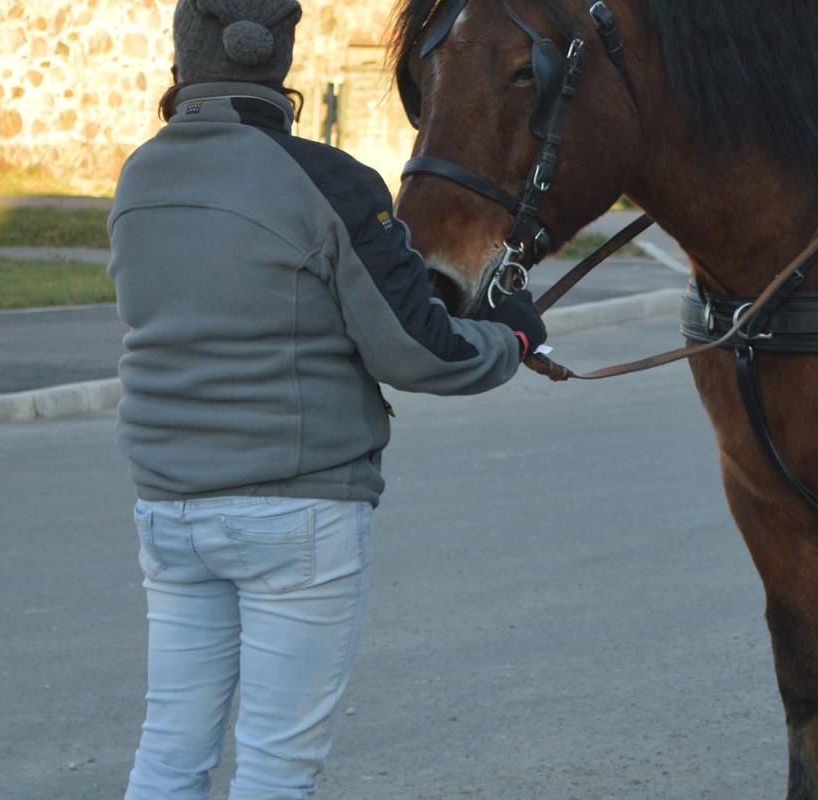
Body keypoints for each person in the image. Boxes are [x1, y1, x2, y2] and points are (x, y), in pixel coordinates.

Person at [106, 1, 547, 797]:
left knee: (170, 752)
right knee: (277, 767)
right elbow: (415, 347)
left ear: (185, 60)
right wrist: (510, 339)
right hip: (295, 512)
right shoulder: (328, 181)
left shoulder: (139, 176)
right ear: (281, 62)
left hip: (169, 510)